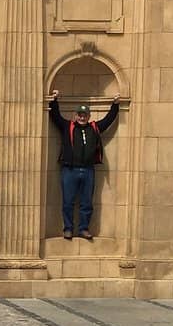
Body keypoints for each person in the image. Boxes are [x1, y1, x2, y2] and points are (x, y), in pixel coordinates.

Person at [49, 89, 120, 241]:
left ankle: (83, 229)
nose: (82, 117)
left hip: (88, 170)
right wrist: (54, 100)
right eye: (80, 115)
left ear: (88, 116)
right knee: (68, 202)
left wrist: (115, 105)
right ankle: (68, 229)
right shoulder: (67, 126)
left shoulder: (94, 128)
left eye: (85, 115)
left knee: (87, 202)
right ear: (75, 116)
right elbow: (55, 116)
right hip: (69, 170)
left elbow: (108, 120)